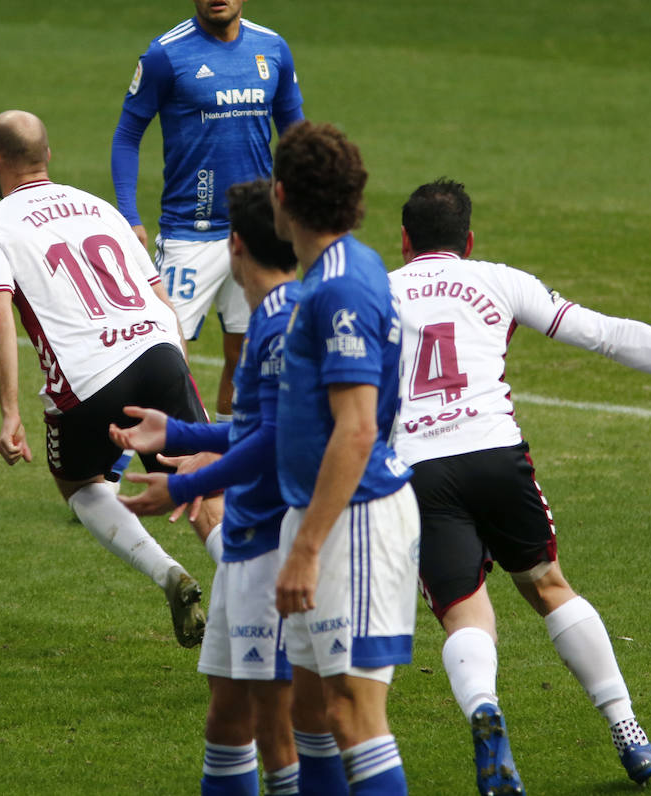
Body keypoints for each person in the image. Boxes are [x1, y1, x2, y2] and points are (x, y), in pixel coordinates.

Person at [388, 178, 651, 793]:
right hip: (495, 454)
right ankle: (628, 732)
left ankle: (484, 709)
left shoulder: (374, 295)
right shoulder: (500, 280)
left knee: (463, 612)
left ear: (403, 240)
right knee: (547, 585)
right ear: (468, 241)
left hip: (418, 468)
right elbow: (610, 335)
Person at [0, 109, 210, 647]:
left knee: (79, 484)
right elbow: (160, 299)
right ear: (47, 156)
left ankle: (168, 572)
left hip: (88, 380)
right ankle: (253, 597)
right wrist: (182, 381)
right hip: (159, 351)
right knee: (200, 480)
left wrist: (9, 411)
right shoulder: (100, 207)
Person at [112, 178, 301, 795]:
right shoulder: (274, 316)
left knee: (277, 729)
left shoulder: (282, 324)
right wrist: (181, 432)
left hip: (273, 545)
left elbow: (275, 439)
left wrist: (187, 484)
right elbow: (257, 427)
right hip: (248, 543)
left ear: (235, 245)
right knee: (226, 718)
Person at [270, 122, 420, 795]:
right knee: (309, 710)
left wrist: (307, 548)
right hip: (320, 513)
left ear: (282, 195)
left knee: (352, 714)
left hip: (352, 520)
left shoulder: (340, 287)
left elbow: (357, 429)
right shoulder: (338, 271)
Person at [111, 0, 305, 423]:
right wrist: (129, 214)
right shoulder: (165, 55)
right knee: (160, 355)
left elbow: (295, 133)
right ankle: (116, 462)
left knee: (249, 353)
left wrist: (302, 203)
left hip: (259, 230)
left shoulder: (272, 48)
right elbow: (127, 135)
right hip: (189, 233)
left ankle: (229, 452)